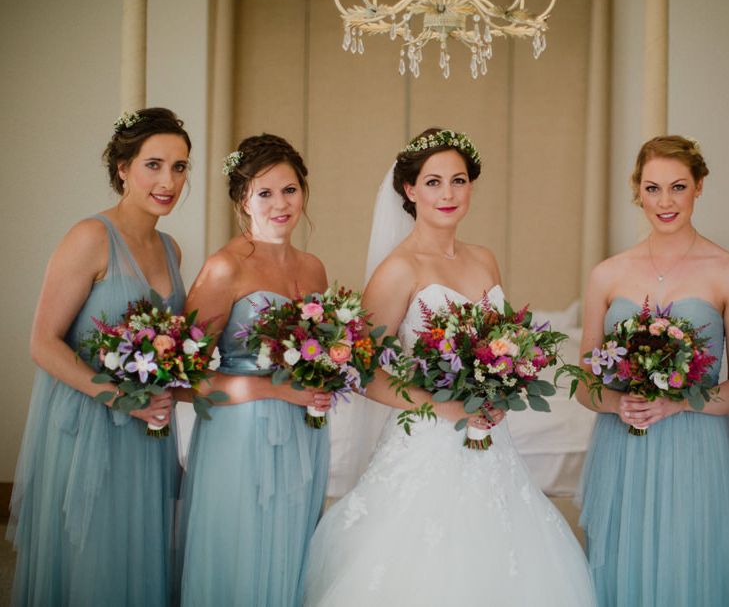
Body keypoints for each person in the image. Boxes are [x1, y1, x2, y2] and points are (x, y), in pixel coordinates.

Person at [304, 128, 595, 606]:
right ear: (409, 190)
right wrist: (443, 407)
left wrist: (502, 386)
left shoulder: (484, 259)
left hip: (491, 438)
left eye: (458, 181)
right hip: (427, 438)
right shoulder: (399, 269)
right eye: (433, 182)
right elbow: (359, 370)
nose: (448, 194)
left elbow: (500, 346)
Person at [8, 108, 191, 606]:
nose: (168, 180)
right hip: (91, 424)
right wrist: (119, 399)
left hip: (147, 432)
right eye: (153, 164)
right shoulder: (90, 236)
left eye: (179, 167)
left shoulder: (170, 248)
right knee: (94, 564)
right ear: (123, 169)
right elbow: (43, 342)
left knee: (139, 556)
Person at [176, 134, 332, 606]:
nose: (280, 204)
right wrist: (275, 391)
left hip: (304, 428)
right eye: (264, 193)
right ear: (243, 200)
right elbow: (184, 377)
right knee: (242, 549)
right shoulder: (226, 268)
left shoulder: (314, 268)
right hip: (241, 432)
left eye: (289, 190)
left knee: (292, 545)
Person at [576, 135, 729, 606]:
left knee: (688, 563)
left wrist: (679, 401)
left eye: (678, 187)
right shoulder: (608, 273)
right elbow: (585, 384)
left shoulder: (723, 271)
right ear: (637, 190)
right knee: (622, 562)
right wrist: (618, 402)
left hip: (696, 448)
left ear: (699, 187)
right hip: (622, 446)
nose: (665, 202)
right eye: (653, 188)